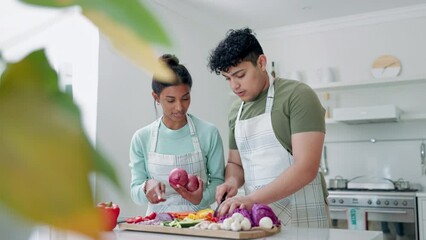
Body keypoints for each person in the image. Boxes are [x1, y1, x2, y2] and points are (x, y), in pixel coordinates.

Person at [207, 28, 329, 227]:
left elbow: (306, 167)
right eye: (228, 78)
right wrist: (231, 182)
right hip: (259, 217)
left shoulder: (297, 95)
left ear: (261, 63)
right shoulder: (236, 110)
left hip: (302, 211)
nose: (234, 86)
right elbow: (235, 164)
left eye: (240, 75)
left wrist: (251, 199)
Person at [129, 54, 225, 214]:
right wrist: (146, 187)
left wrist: (201, 197)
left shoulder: (209, 133)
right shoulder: (141, 138)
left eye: (185, 98)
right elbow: (135, 192)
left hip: (199, 223)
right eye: (171, 100)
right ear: (156, 97)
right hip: (157, 226)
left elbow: (218, 181)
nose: (180, 107)